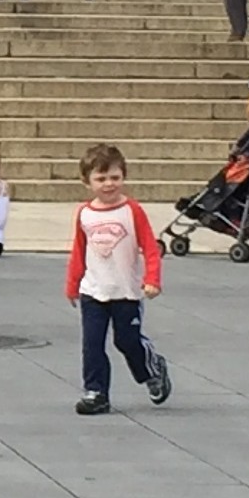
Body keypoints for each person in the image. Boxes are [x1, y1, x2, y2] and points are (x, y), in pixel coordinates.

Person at [65, 144, 170, 416]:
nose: (109, 184)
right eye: (101, 179)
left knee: (126, 340)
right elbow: (79, 250)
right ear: (87, 182)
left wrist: (152, 279)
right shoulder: (85, 214)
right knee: (92, 343)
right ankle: (96, 391)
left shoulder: (132, 211)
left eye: (114, 177)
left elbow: (150, 247)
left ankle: (152, 369)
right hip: (94, 290)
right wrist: (73, 284)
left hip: (127, 292)